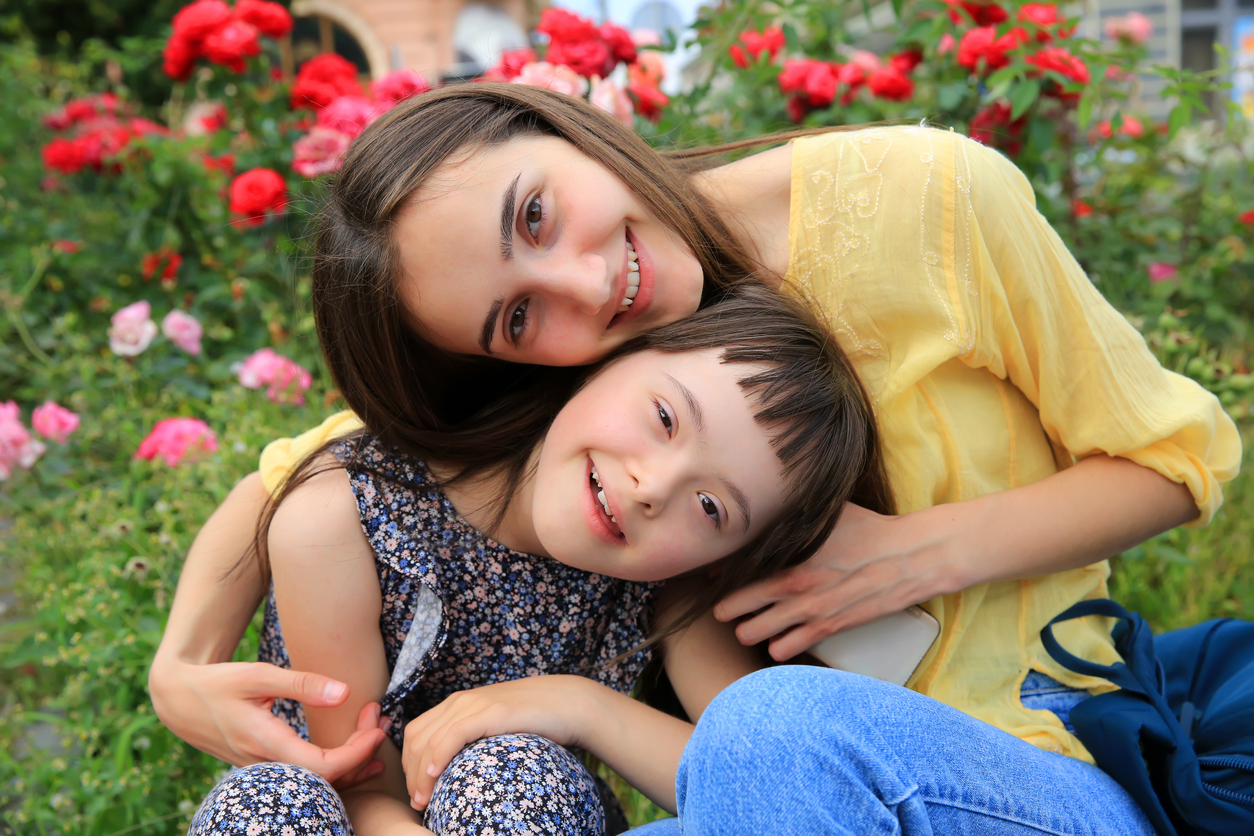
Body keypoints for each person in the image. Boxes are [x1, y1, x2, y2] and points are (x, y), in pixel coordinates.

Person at [151, 83, 1239, 831]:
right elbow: (313, 474)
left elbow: (1177, 459)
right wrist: (178, 666)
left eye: (538, 211)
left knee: (779, 731)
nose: (584, 284)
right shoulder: (601, 371)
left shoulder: (932, 200)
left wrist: (919, 553)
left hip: (1030, 761)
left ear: (561, 126)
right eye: (517, 319)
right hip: (777, 787)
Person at [187, 285, 892, 835]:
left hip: (522, 813)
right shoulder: (344, 514)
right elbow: (354, 780)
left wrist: (583, 708)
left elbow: (759, 791)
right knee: (267, 803)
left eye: (711, 508)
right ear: (611, 357)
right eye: (665, 418)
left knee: (509, 772)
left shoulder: (662, 588)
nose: (653, 488)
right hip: (348, 811)